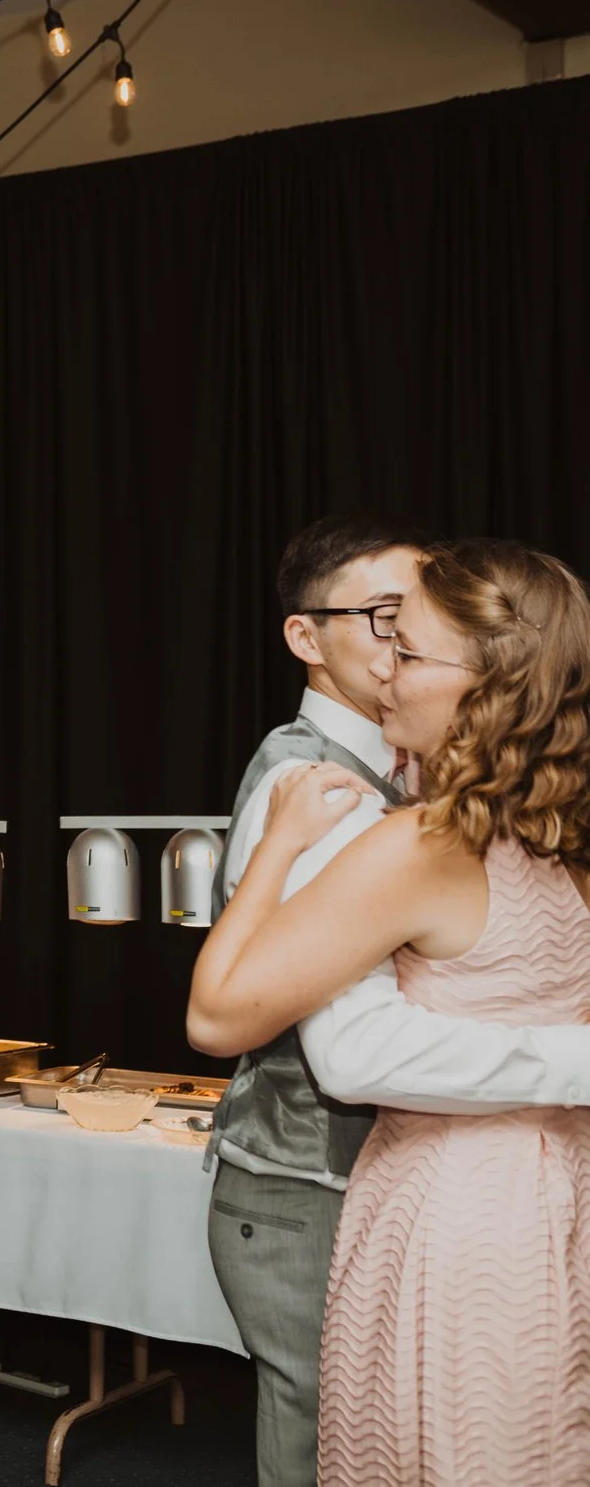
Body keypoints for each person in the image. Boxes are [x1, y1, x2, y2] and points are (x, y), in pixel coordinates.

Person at [185, 517, 590, 1487]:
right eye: (382, 635)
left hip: (457, 1208)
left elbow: (254, 1024)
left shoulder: (417, 835)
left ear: (486, 686)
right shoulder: (550, 824)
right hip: (552, 1185)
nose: (384, 671)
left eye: (405, 648)